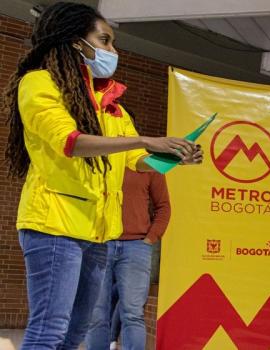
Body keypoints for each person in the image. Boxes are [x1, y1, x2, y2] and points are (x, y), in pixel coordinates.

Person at [1, 3, 202, 349]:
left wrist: (173, 158)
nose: (113, 51)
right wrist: (142, 138)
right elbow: (70, 142)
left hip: (98, 233)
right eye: (105, 40)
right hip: (54, 227)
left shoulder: (110, 105)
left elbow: (136, 161)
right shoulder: (39, 84)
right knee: (50, 329)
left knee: (78, 330)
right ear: (77, 41)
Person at [86, 166, 171, 350]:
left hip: (136, 246)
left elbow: (163, 206)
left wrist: (150, 239)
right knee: (96, 313)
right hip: (99, 243)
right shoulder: (99, 155)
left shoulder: (147, 161)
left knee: (133, 314)